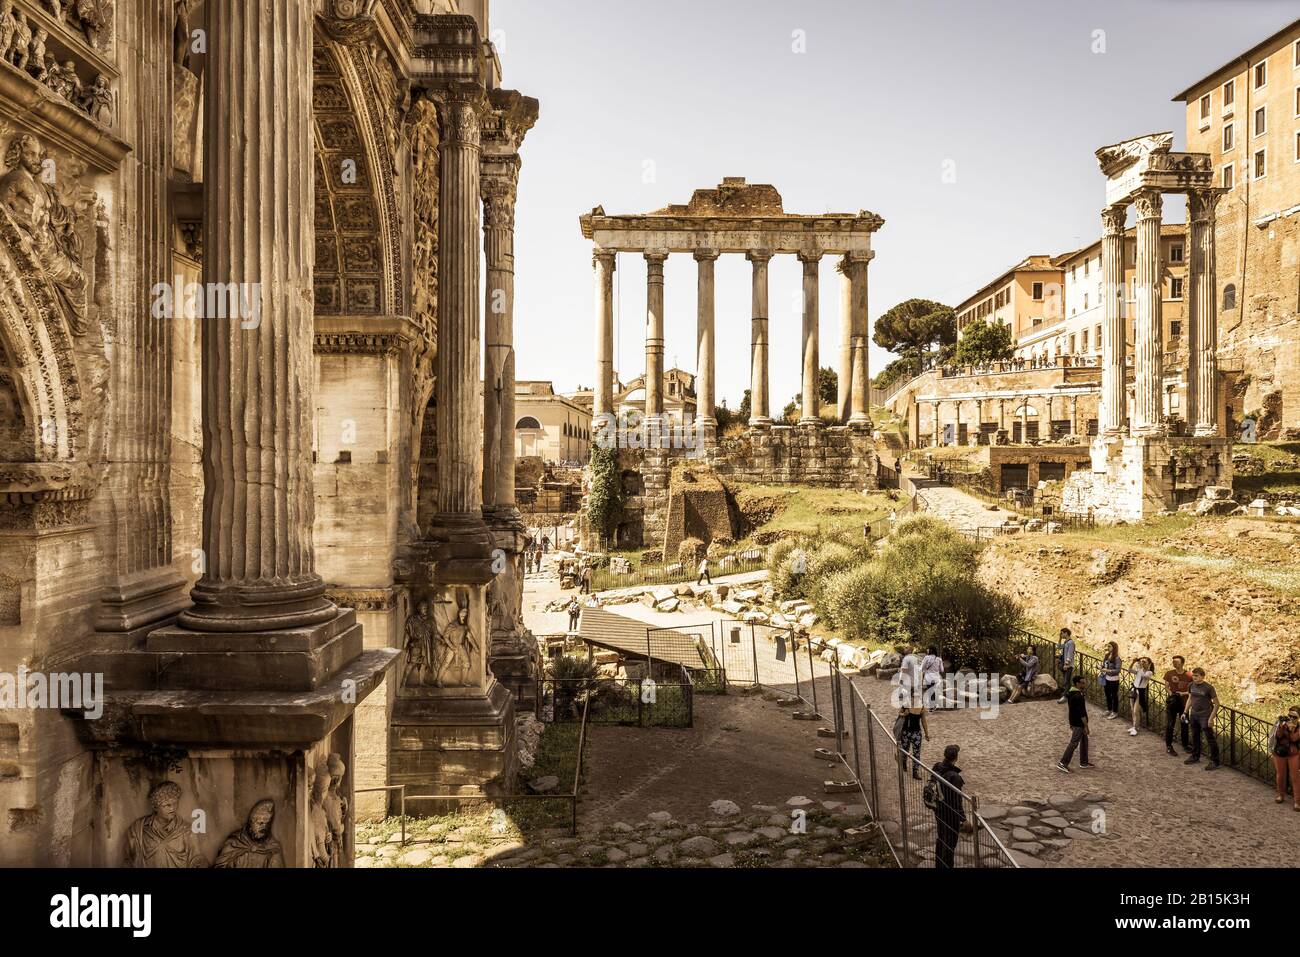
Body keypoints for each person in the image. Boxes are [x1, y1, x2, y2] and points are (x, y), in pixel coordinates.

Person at [930, 744, 966, 869]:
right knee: (950, 844)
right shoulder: (954, 777)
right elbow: (957, 801)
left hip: (939, 809)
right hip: (950, 814)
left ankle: (938, 864)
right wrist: (962, 818)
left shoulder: (937, 767)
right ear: (956, 758)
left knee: (941, 838)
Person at [1056, 674, 1094, 772]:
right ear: (1077, 684)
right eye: (1082, 683)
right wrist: (1086, 726)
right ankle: (1063, 763)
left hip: (1073, 721)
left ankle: (1084, 762)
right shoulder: (1078, 696)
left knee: (1084, 741)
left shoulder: (1071, 693)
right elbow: (1082, 713)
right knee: (1074, 743)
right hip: (1078, 724)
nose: (1084, 684)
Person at [1184, 668, 1221, 769]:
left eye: (1197, 676)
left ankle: (1215, 761)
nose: (1194, 677)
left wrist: (1211, 718)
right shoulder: (1191, 685)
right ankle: (1195, 755)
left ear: (1202, 676)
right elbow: (1190, 699)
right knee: (1195, 735)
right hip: (1194, 714)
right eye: (1193, 675)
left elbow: (1217, 704)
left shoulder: (1208, 688)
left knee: (1210, 738)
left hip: (1205, 715)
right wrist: (1185, 712)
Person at [1269, 707, 1300, 809]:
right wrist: (1282, 727)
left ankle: (1297, 801)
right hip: (1280, 752)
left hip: (1293, 753)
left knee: (1295, 777)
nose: (1291, 718)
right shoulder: (1282, 724)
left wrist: (1292, 729)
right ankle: (1280, 795)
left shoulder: (1299, 727)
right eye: (1289, 716)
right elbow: (1278, 735)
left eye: (1294, 717)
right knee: (1280, 775)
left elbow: (1294, 738)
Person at [1163, 656, 1192, 755]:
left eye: (1177, 662)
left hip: (1184, 703)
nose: (1174, 663)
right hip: (1173, 702)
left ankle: (1185, 745)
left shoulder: (1189, 675)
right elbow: (1166, 686)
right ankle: (1169, 745)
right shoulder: (1169, 673)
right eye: (1173, 661)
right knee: (1170, 724)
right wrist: (1171, 694)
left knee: (1185, 724)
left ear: (1182, 663)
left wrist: (1183, 693)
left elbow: (1192, 690)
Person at [897, 700, 930, 779]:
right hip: (905, 732)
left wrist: (926, 734)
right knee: (905, 750)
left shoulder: (921, 707)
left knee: (917, 753)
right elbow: (899, 713)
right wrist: (904, 714)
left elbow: (923, 721)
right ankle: (903, 762)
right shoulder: (906, 705)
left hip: (916, 733)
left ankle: (915, 771)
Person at [1127, 656, 1154, 736]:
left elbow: (1144, 676)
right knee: (1132, 710)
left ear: (1149, 664)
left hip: (1140, 691)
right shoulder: (1140, 670)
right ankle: (1134, 726)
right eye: (1142, 661)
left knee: (1136, 711)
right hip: (1134, 690)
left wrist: (1139, 667)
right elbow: (1129, 670)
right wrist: (1133, 662)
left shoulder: (1149, 672)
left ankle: (1135, 728)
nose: (1142, 663)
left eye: (1144, 662)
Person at [1101, 642, 1122, 718]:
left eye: (1110, 646)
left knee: (1114, 696)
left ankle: (1115, 712)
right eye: (1108, 646)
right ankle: (1109, 709)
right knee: (1107, 695)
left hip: (1114, 680)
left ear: (1114, 648)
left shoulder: (1117, 658)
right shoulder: (1107, 656)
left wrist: (1108, 671)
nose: (1108, 647)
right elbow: (1104, 665)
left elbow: (1118, 670)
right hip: (1106, 678)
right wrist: (1101, 667)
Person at [1056, 628, 1075, 703]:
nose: (1061, 635)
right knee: (1066, 681)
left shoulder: (1071, 643)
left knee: (1066, 681)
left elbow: (1070, 654)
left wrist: (1066, 664)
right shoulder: (1066, 642)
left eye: (1062, 633)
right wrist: (1059, 639)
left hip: (1068, 665)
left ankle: (1065, 697)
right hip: (1064, 664)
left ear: (1066, 633)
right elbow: (1059, 647)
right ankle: (1069, 695)